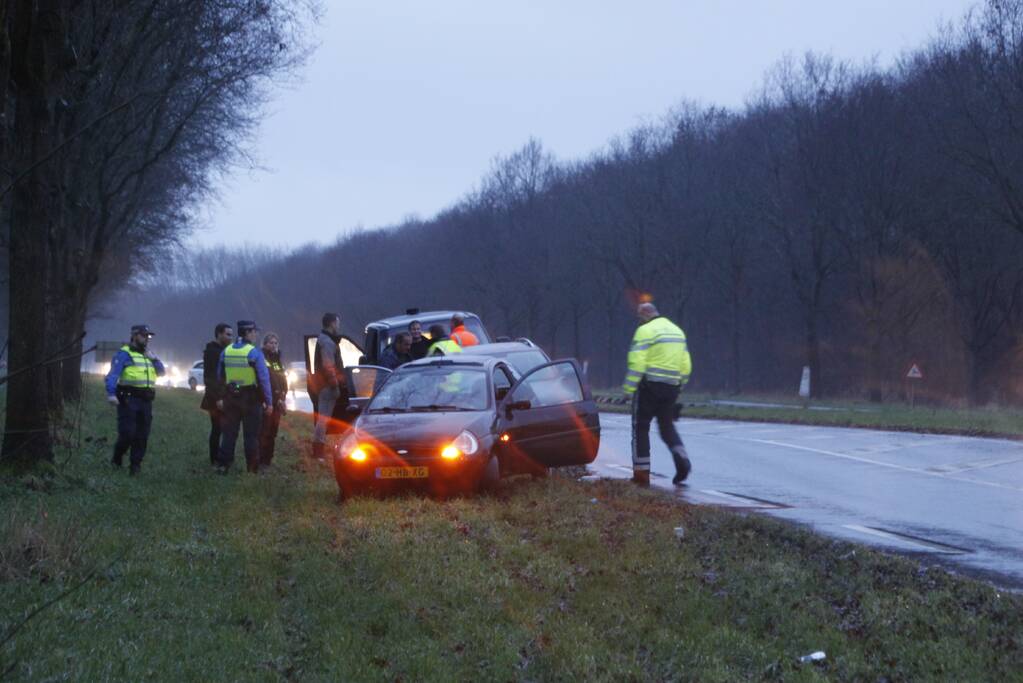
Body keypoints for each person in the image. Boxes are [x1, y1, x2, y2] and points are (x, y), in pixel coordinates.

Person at [623, 302, 692, 487]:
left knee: (641, 428)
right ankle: (682, 459)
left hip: (649, 387)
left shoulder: (645, 331)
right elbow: (686, 365)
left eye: (639, 318)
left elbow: (637, 363)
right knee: (667, 426)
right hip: (671, 388)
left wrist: (628, 390)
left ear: (644, 315)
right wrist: (679, 387)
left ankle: (641, 475)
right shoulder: (677, 331)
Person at [105, 324, 166, 475]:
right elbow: (113, 375)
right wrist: (111, 394)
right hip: (128, 399)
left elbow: (162, 372)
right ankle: (117, 458)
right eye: (144, 335)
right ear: (134, 335)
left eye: (148, 336)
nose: (147, 339)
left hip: (146, 401)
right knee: (127, 433)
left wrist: (154, 359)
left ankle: (135, 465)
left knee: (142, 435)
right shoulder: (124, 354)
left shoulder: (148, 355)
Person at [216, 320, 273, 474]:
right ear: (247, 332)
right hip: (251, 398)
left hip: (230, 396)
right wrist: (269, 402)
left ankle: (223, 465)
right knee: (251, 435)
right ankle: (252, 468)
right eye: (254, 332)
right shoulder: (254, 353)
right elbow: (263, 379)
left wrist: (220, 396)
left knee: (229, 434)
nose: (256, 335)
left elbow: (220, 376)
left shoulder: (226, 351)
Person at [310, 312, 347, 463]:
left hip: (323, 384)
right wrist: (335, 385)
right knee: (323, 419)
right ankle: (318, 451)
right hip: (327, 386)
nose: (338, 325)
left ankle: (319, 449)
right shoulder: (327, 342)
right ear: (332, 323)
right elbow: (328, 366)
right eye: (337, 323)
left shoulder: (325, 340)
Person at [201, 323, 233, 465]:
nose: (230, 337)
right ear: (219, 334)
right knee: (217, 428)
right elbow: (211, 377)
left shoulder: (224, 350)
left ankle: (222, 456)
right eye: (228, 334)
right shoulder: (213, 352)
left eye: (231, 334)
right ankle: (214, 459)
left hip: (224, 395)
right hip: (215, 397)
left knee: (224, 428)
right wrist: (218, 398)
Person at [258, 333, 289, 468]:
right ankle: (261, 461)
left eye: (276, 343)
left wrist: (283, 395)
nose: (274, 345)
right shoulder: (262, 358)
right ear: (264, 344)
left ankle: (268, 460)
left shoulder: (277, 359)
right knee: (264, 432)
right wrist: (274, 399)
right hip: (268, 401)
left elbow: (282, 378)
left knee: (273, 432)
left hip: (278, 401)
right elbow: (266, 381)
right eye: (271, 343)